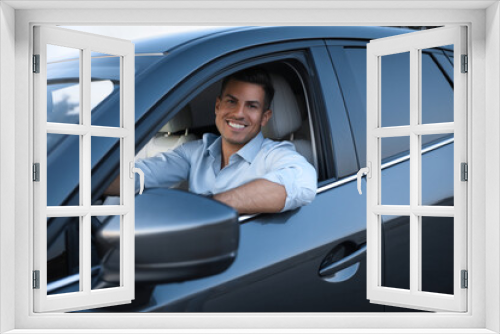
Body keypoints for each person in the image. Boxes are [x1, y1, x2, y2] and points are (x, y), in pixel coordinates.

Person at [106, 67, 317, 214]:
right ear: (218, 107)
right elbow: (136, 176)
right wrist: (82, 185)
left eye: (252, 106)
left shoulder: (275, 154)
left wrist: (207, 207)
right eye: (231, 102)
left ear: (265, 117)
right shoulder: (194, 152)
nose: (239, 114)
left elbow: (303, 183)